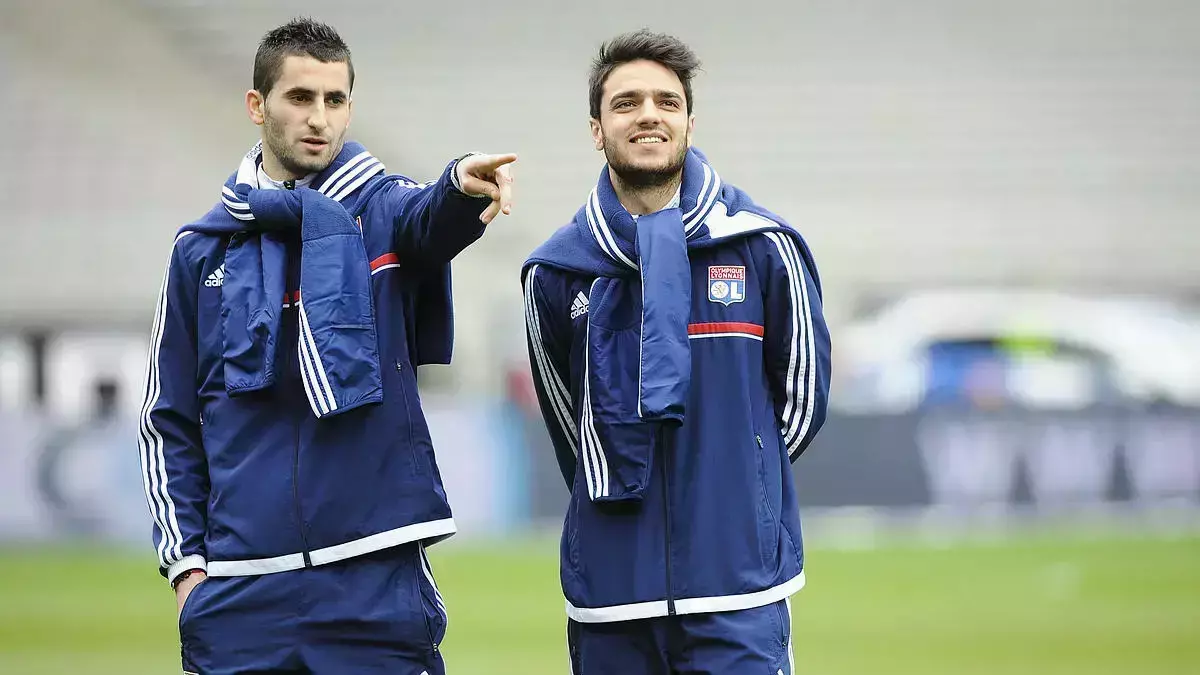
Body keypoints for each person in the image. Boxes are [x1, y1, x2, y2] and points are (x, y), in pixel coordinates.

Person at [137, 17, 516, 674]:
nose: (319, 117)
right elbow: (168, 418)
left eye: (334, 100)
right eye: (300, 97)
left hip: (375, 583)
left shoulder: (388, 210)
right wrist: (188, 574)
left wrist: (460, 188)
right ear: (257, 106)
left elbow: (433, 220)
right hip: (238, 592)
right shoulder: (201, 250)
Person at [522, 29, 832, 674]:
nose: (648, 116)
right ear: (596, 127)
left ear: (690, 121)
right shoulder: (555, 272)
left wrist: (740, 490)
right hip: (612, 595)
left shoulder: (762, 246)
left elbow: (801, 405)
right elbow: (566, 424)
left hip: (739, 589)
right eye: (626, 102)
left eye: (666, 101)